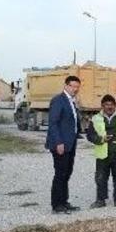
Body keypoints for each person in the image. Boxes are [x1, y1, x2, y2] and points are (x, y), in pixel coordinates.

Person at [86, 94, 116, 209]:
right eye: (106, 104)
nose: (109, 107)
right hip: (103, 152)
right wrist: (101, 139)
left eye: (111, 104)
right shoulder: (95, 118)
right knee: (100, 177)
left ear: (115, 105)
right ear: (102, 106)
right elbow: (90, 135)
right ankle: (100, 200)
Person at [46, 75, 82, 214]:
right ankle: (56, 204)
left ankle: (64, 201)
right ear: (66, 86)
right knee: (60, 174)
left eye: (77, 87)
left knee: (67, 173)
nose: (75, 89)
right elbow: (53, 123)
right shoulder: (58, 100)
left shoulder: (71, 101)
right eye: (73, 86)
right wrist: (59, 142)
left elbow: (71, 121)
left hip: (70, 144)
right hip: (60, 144)